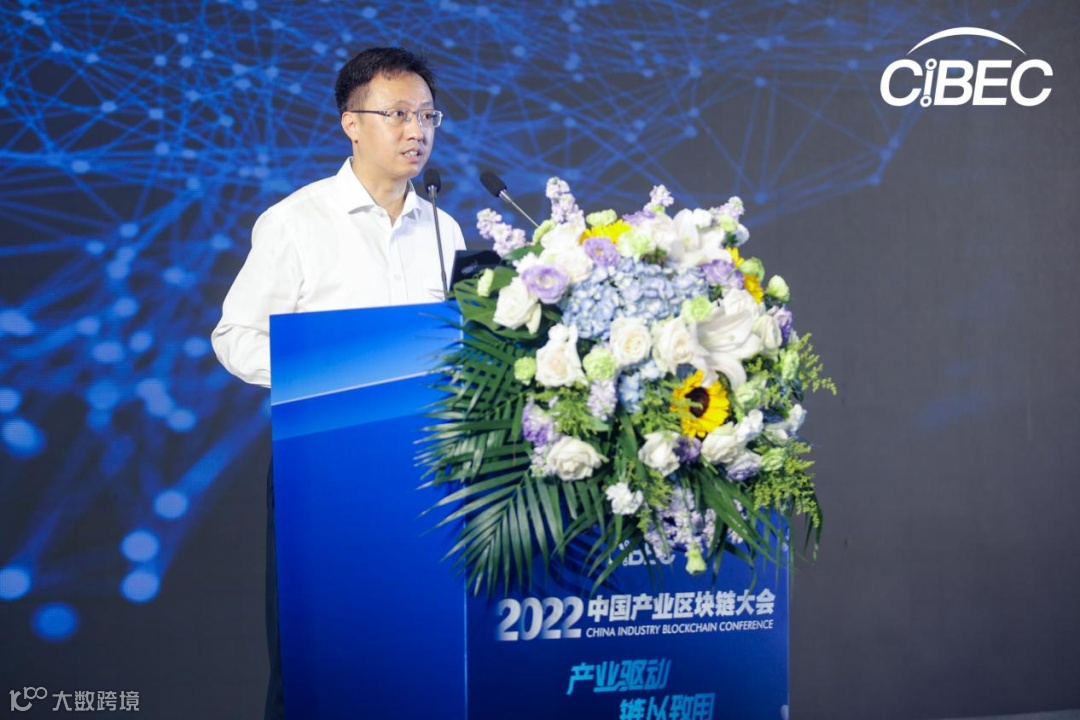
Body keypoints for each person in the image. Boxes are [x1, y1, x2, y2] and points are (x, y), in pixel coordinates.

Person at [210, 47, 465, 719]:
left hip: (428, 468)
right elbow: (234, 337)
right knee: (317, 663)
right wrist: (331, 377)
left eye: (427, 115)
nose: (417, 130)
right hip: (325, 468)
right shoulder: (298, 222)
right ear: (351, 123)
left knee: (416, 652)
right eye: (398, 114)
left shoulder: (443, 228)